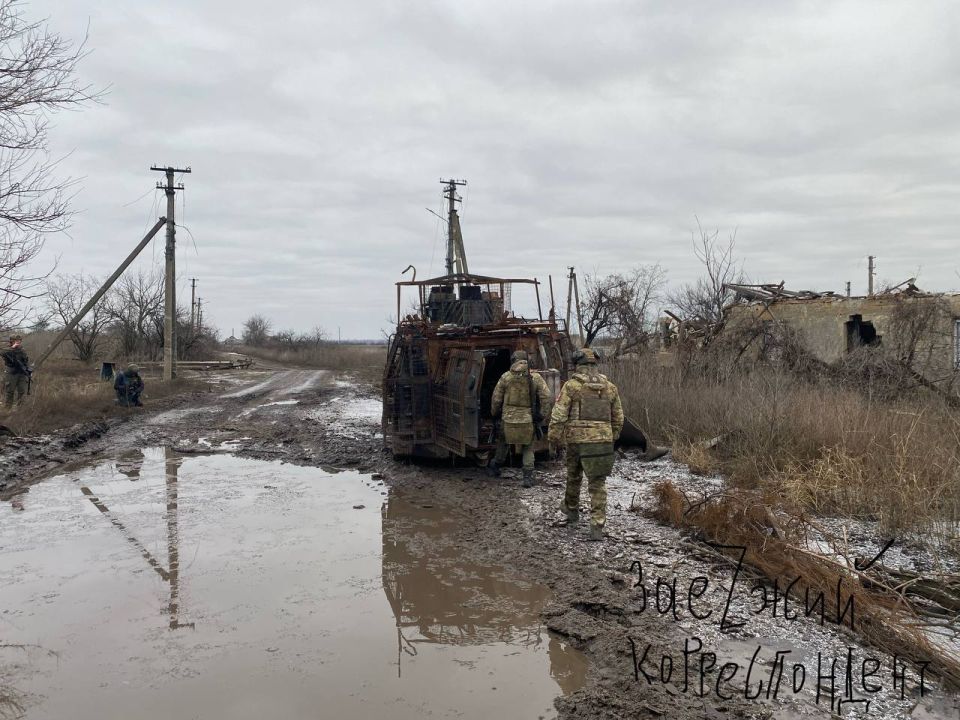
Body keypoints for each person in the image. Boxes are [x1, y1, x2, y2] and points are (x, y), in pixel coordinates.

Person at [548, 347, 623, 541]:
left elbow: (559, 414)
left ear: (577, 366)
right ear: (595, 365)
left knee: (573, 476)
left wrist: (554, 438)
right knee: (598, 483)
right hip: (602, 441)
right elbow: (618, 418)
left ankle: (572, 511)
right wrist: (611, 436)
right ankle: (597, 525)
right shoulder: (610, 387)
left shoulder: (572, 386)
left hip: (577, 440)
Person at [487, 350, 552, 487]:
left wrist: (494, 414)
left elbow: (496, 398)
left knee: (503, 442)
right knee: (528, 447)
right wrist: (541, 415)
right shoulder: (536, 377)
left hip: (508, 419)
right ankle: (527, 477)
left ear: (513, 360)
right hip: (527, 419)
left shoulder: (506, 377)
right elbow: (546, 397)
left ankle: (495, 466)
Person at [2, 335, 31, 409]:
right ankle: (7, 409)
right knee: (10, 391)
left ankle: (20, 409)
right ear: (12, 341)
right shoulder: (7, 348)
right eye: (16, 340)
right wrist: (12, 347)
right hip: (12, 373)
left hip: (21, 373)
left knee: (22, 391)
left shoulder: (22, 349)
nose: (18, 342)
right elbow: (3, 353)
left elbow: (26, 360)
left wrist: (28, 369)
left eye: (19, 340)